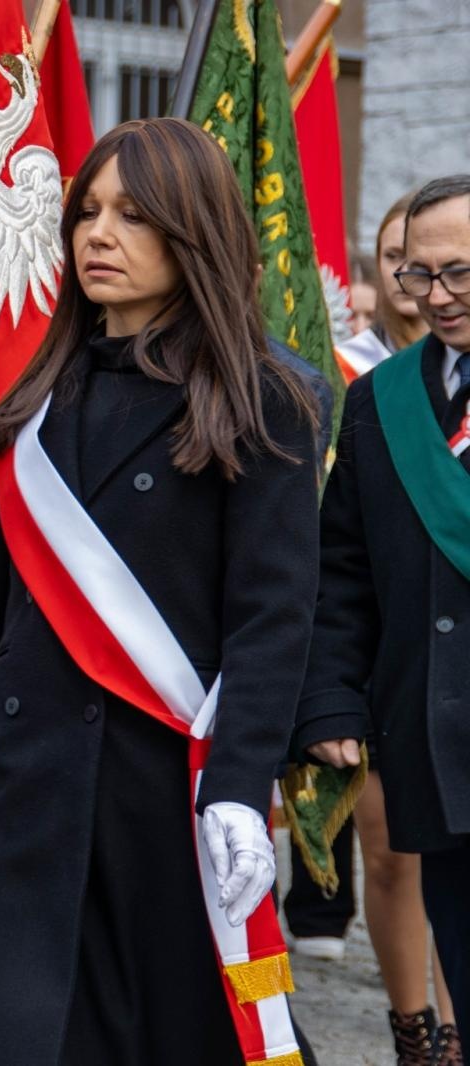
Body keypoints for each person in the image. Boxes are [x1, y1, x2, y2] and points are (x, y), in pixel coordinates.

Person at [0, 118, 321, 1065]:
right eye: (88, 212)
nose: (98, 234)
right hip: (20, 793)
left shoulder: (262, 394)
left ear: (195, 233)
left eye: (134, 216)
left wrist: (236, 789)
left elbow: (272, 616)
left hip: (158, 796)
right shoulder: (42, 393)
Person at [296, 174, 470, 1059]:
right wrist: (330, 700)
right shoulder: (381, 399)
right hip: (436, 748)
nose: (435, 298)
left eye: (460, 275)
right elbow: (344, 570)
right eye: (417, 276)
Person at [336, 192, 430, 382]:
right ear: (378, 262)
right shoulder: (346, 365)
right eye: (393, 256)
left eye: (418, 257)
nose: (405, 271)